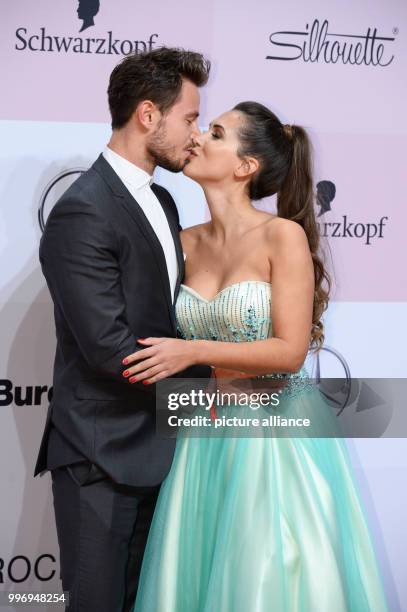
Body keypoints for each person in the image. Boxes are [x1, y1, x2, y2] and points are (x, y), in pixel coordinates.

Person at [123, 102, 389, 611]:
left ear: (246, 167)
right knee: (198, 573)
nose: (198, 137)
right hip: (202, 434)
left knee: (266, 577)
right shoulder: (181, 244)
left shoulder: (280, 236)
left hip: (273, 436)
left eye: (217, 133)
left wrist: (191, 350)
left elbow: (289, 352)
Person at [33, 48, 211, 612]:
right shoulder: (83, 210)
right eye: (189, 118)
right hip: (100, 457)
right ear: (148, 115)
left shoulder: (162, 199)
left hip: (160, 451)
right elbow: (113, 350)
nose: (197, 134)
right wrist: (215, 389)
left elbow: (166, 317)